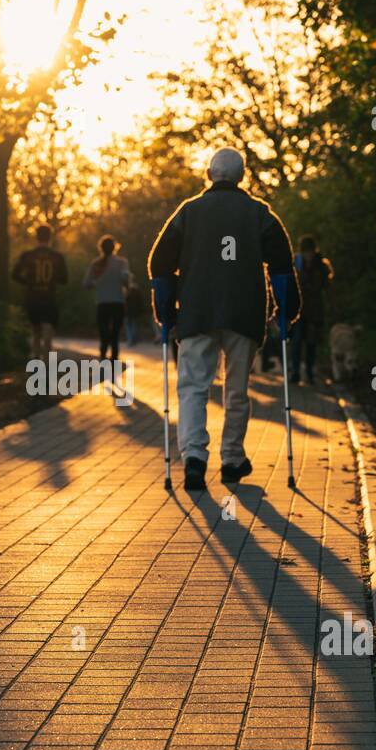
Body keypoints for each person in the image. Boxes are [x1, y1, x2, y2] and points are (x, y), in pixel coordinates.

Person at [148, 146, 299, 492]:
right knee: (237, 391)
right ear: (242, 176)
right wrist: (286, 311)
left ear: (209, 174)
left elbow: (160, 264)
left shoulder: (188, 212)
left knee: (193, 387)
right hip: (243, 312)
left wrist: (166, 310)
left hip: (197, 311)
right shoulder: (259, 214)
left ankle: (194, 460)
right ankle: (231, 459)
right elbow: (281, 268)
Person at [11, 224, 68, 359]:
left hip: (33, 296)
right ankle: (46, 362)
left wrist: (28, 282)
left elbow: (14, 274)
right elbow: (64, 279)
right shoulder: (57, 257)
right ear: (50, 237)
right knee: (48, 331)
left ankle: (36, 360)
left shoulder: (28, 255)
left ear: (36, 237)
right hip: (49, 296)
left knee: (35, 331)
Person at [291, 235, 334, 384]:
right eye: (305, 252)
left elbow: (325, 286)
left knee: (311, 343)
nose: (307, 255)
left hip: (314, 311)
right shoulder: (296, 263)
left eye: (309, 252)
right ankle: (295, 371)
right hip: (297, 310)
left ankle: (309, 372)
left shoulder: (321, 265)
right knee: (296, 342)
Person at [83, 235, 130, 362]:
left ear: (101, 248)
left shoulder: (96, 264)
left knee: (103, 332)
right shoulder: (122, 262)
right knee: (115, 333)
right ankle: (114, 358)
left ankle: (103, 356)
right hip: (118, 302)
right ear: (115, 247)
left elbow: (86, 284)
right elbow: (125, 279)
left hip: (102, 302)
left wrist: (97, 282)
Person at [124, 274, 145, 346]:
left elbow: (124, 301)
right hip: (135, 311)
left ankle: (130, 340)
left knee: (129, 326)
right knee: (133, 325)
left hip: (127, 311)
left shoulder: (126, 289)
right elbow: (140, 301)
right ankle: (132, 340)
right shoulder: (137, 289)